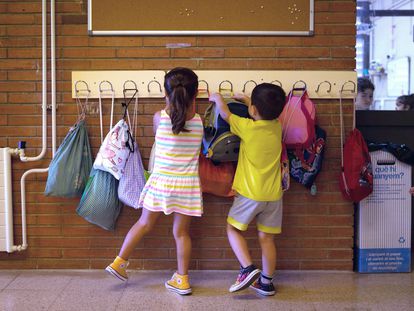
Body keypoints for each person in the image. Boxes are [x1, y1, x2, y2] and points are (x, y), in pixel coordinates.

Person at [106, 67, 203, 295]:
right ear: (195, 95)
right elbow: (189, 112)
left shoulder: (159, 118)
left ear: (165, 94)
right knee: (181, 234)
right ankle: (182, 279)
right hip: (186, 185)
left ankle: (120, 261)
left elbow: (167, 123)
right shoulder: (198, 122)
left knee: (144, 223)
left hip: (161, 182)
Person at [209, 83, 286, 296]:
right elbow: (261, 113)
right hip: (274, 195)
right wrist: (246, 99)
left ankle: (247, 268)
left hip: (250, 194)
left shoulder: (247, 128)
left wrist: (217, 99)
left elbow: (225, 115)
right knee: (267, 238)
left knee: (232, 229)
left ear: (253, 110)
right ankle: (266, 283)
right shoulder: (278, 126)